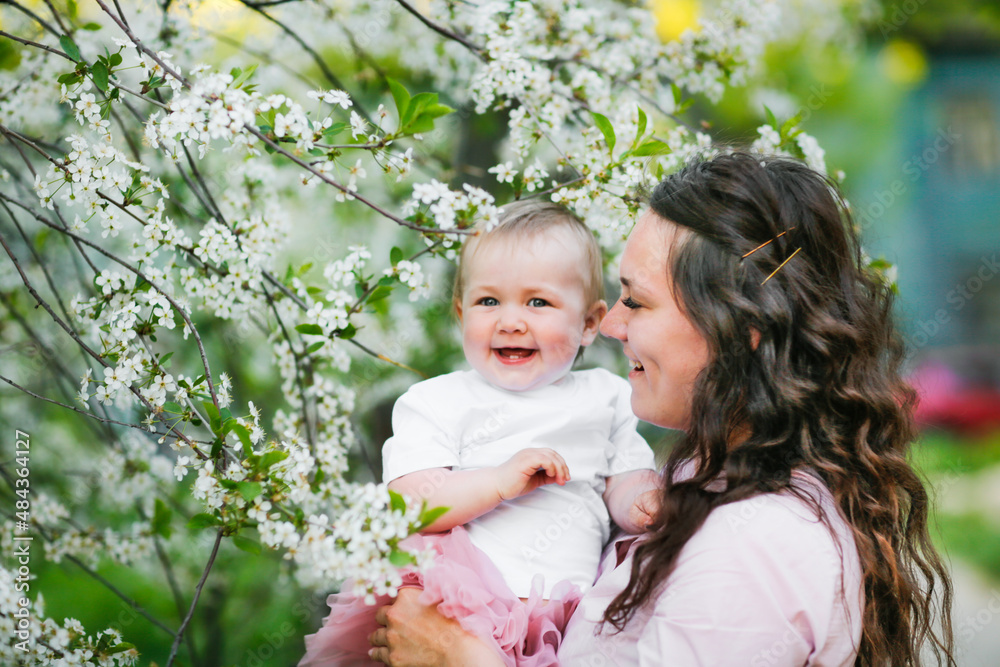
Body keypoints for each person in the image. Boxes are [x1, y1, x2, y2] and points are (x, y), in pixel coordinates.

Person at [366, 152, 957, 666]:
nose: (612, 326)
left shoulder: (755, 550)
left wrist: (462, 660)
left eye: (638, 302)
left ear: (744, 323)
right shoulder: (704, 478)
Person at [300, 200, 661, 667]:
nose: (510, 320)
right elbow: (409, 505)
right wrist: (496, 482)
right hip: (457, 602)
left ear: (589, 323)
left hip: (562, 618)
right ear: (460, 311)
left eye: (538, 302)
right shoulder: (439, 400)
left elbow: (625, 479)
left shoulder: (607, 396)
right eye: (488, 301)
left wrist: (646, 505)